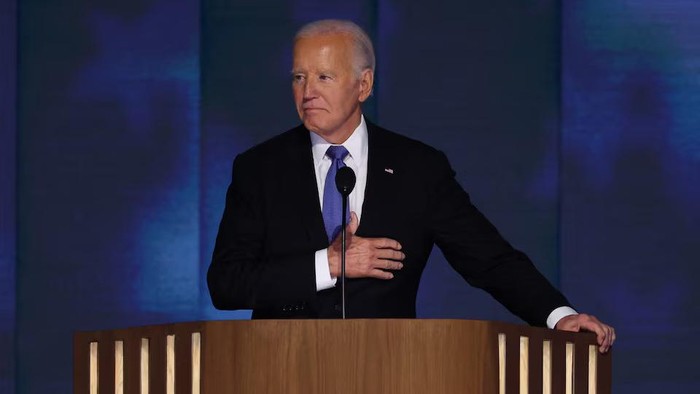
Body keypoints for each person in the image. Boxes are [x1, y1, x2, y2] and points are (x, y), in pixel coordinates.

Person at [208, 19, 615, 353]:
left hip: (392, 368)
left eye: (324, 76)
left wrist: (558, 316)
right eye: (299, 76)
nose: (308, 91)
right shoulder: (259, 169)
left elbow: (489, 259)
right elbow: (226, 284)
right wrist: (328, 265)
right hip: (280, 369)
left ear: (363, 85)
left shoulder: (418, 168)